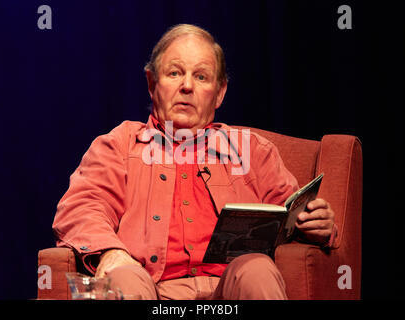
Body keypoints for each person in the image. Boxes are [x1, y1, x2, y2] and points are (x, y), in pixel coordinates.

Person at [52, 24, 336, 300]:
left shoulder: (252, 150)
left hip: (230, 287)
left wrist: (316, 224)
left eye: (201, 77)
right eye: (174, 73)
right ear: (152, 84)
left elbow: (291, 210)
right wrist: (112, 252)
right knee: (124, 278)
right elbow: (82, 206)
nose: (187, 86)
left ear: (220, 92)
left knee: (257, 269)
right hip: (149, 285)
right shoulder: (119, 145)